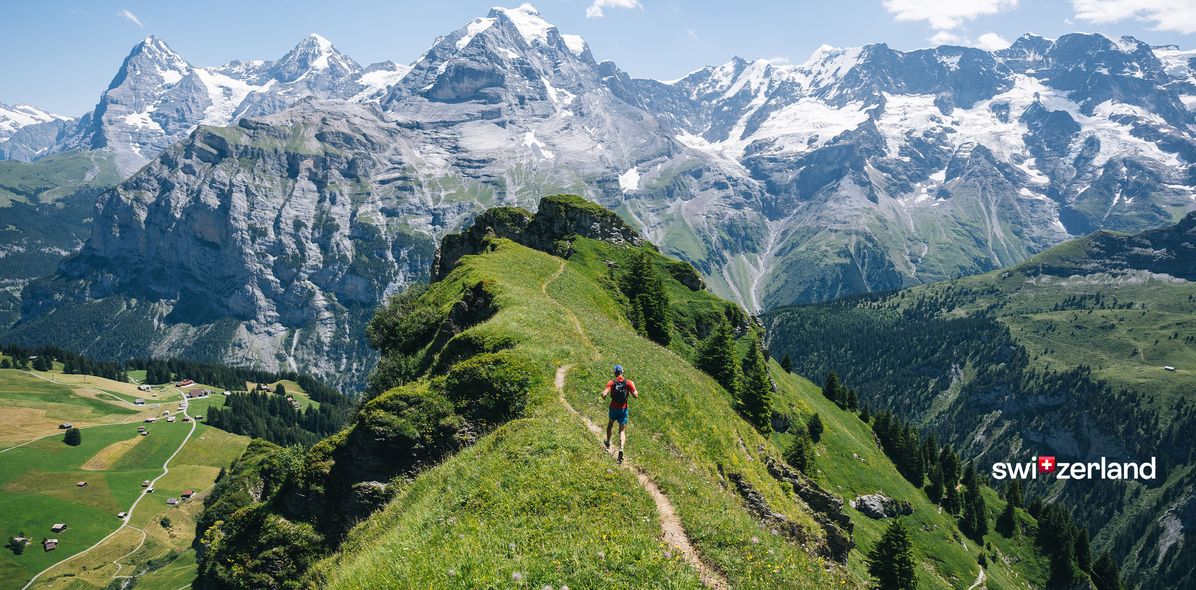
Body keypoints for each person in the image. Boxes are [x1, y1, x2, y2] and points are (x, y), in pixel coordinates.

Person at [600, 364, 638, 464]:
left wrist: (603, 395)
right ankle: (621, 448)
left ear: (614, 373)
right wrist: (633, 387)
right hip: (623, 409)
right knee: (622, 431)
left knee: (610, 425)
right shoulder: (628, 383)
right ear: (622, 372)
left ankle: (608, 442)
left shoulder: (611, 382)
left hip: (613, 408)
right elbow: (635, 395)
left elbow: (605, 393)